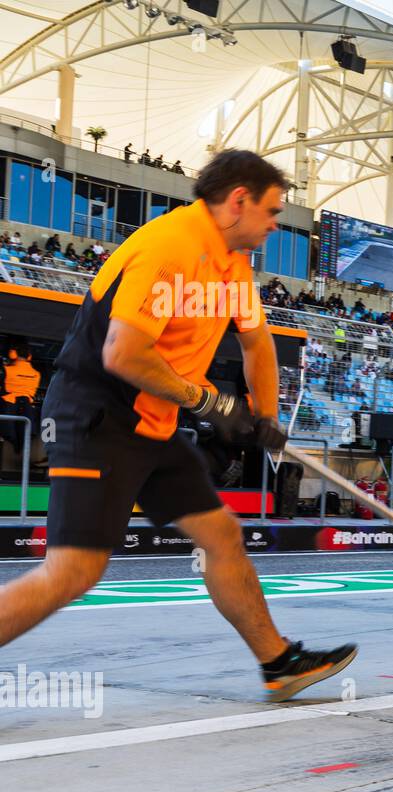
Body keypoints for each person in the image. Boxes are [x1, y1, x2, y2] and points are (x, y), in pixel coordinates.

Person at [0, 149, 356, 702]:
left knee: (221, 535)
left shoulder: (231, 262)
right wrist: (209, 403)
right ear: (238, 201)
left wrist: (265, 417)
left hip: (153, 422)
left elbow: (257, 342)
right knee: (73, 571)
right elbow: (122, 354)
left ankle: (278, 663)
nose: (275, 223)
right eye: (272, 211)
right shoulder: (170, 246)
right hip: (96, 416)